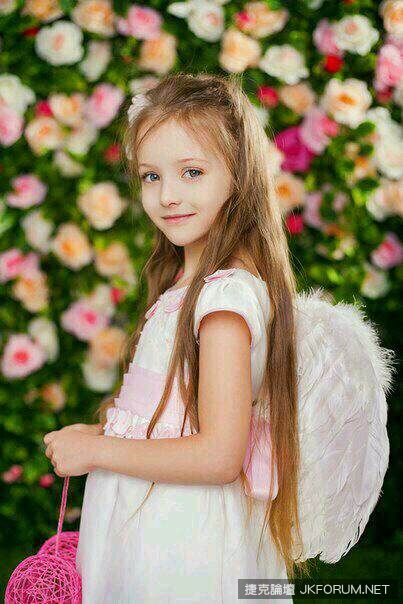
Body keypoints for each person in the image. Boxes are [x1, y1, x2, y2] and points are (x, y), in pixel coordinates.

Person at [42, 73, 391, 603]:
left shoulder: (224, 300)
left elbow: (218, 456)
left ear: (238, 175)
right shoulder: (192, 287)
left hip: (181, 541)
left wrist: (98, 451)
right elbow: (176, 420)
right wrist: (101, 434)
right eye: (151, 176)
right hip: (152, 526)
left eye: (192, 172)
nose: (167, 195)